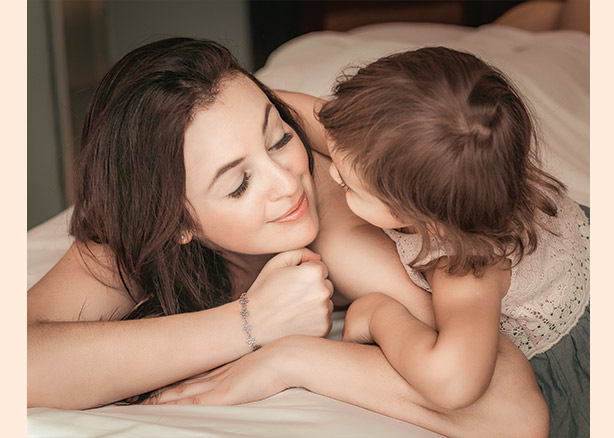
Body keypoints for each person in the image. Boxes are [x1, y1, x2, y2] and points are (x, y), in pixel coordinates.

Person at [27, 37, 548, 437]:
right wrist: (247, 325)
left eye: (279, 138)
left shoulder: (341, 211)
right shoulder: (137, 224)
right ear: (176, 221)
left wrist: (294, 358)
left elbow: (510, 413)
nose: (286, 182)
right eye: (239, 184)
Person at [286, 47, 588, 438]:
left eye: (350, 185)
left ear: (422, 219)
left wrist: (379, 314)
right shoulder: (468, 164)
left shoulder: (467, 268)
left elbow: (452, 383)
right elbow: (314, 120)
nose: (335, 178)